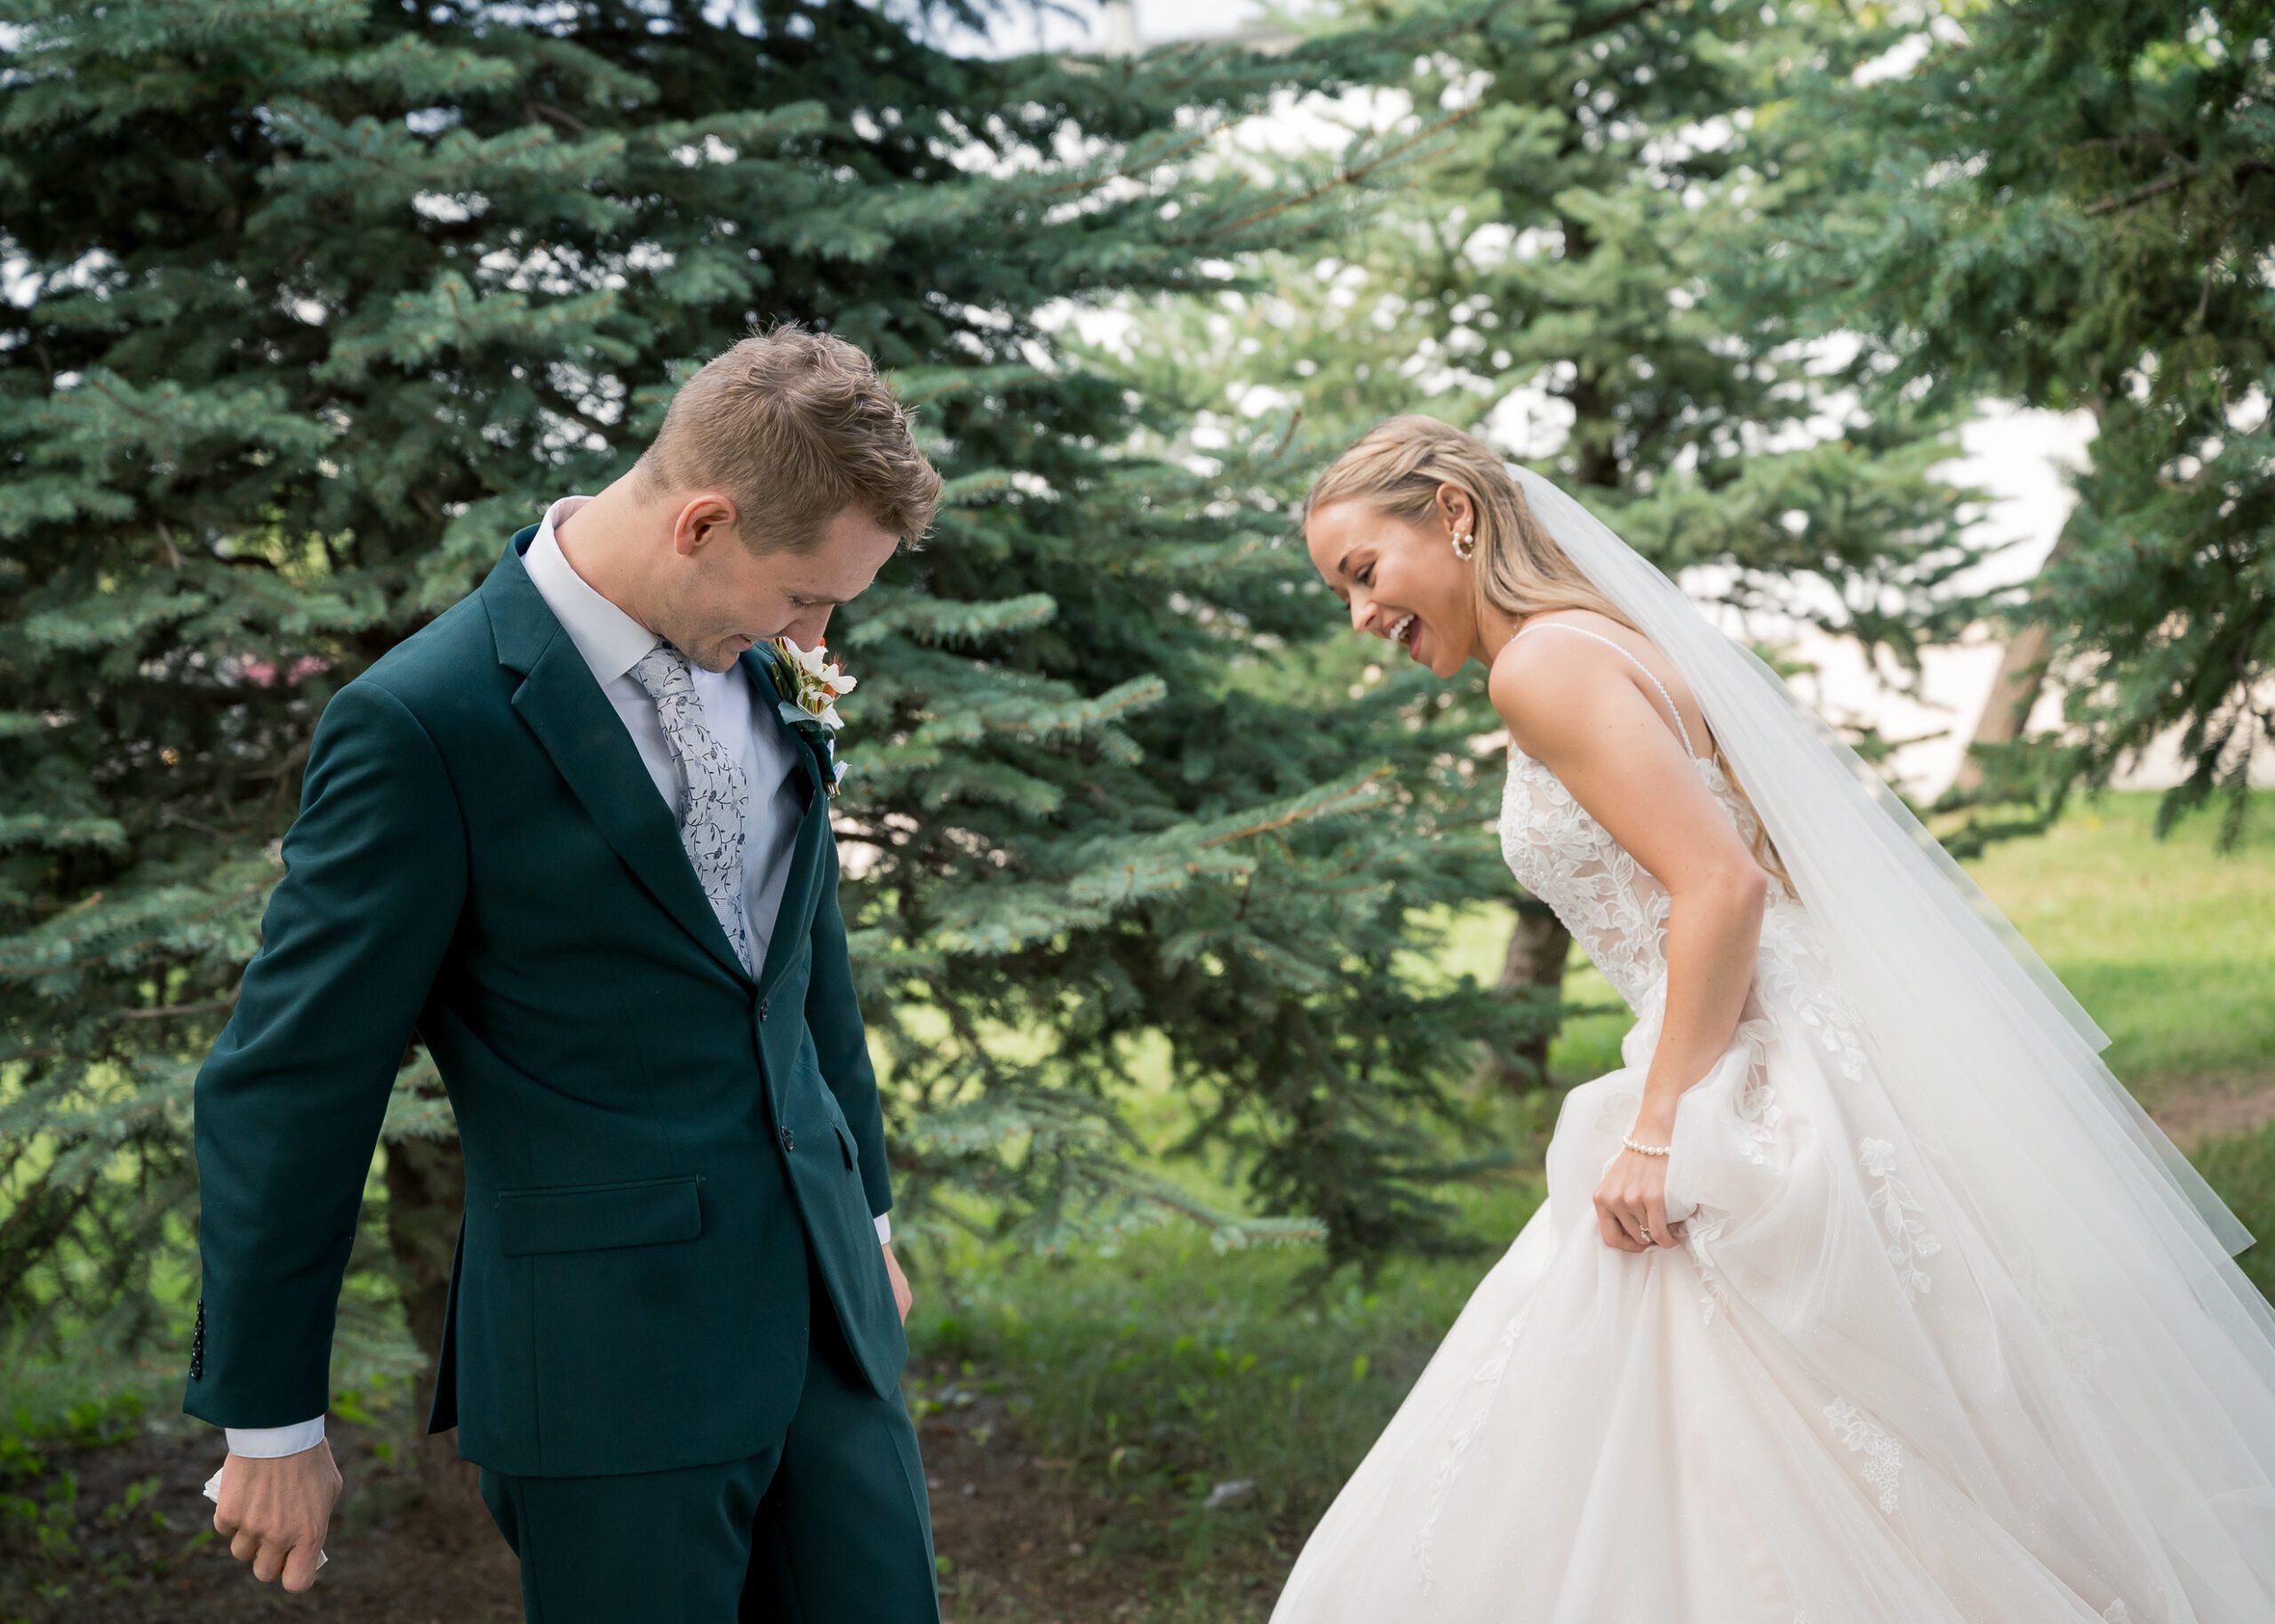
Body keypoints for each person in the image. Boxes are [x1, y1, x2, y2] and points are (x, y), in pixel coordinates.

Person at [1273, 414, 2275, 1622]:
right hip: (1800, 1037)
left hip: (1742, 1064)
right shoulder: (1606, 638)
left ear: (1454, 514)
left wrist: (1658, 1131)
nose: (1360, 617)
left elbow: (1722, 885)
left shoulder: (1539, 666)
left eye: (1364, 574)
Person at [185, 324, 946, 1622]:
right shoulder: (423, 724)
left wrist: (863, 1212)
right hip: (610, 1367)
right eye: (804, 595)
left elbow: (803, 953)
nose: (815, 633)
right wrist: (270, 1423)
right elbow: (292, 1080)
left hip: (831, 1328)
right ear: (700, 524)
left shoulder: (760, 662)